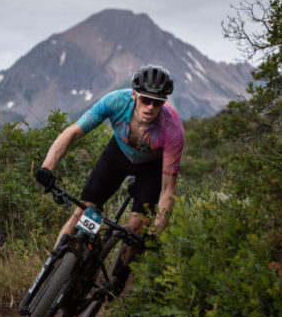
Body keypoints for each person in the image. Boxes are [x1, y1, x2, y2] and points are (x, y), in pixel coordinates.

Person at [34, 64, 184, 294]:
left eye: (158, 102)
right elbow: (72, 133)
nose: (151, 107)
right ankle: (50, 272)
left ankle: (117, 280)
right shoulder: (115, 101)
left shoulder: (171, 129)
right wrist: (47, 167)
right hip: (117, 156)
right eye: (146, 100)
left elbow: (167, 190)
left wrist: (156, 233)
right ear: (134, 95)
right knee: (84, 212)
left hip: (151, 168)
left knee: (136, 228)